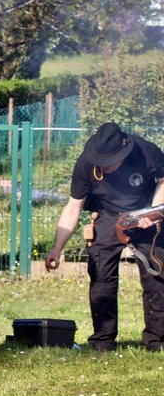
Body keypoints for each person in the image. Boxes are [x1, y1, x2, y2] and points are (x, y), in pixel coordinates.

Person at [43, 122, 164, 351]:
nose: (105, 166)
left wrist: (154, 212)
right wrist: (57, 249)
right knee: (101, 278)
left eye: (111, 161)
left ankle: (157, 341)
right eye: (102, 161)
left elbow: (163, 181)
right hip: (108, 215)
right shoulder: (85, 163)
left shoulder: (147, 151)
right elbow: (73, 207)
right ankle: (103, 340)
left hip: (145, 212)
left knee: (156, 278)